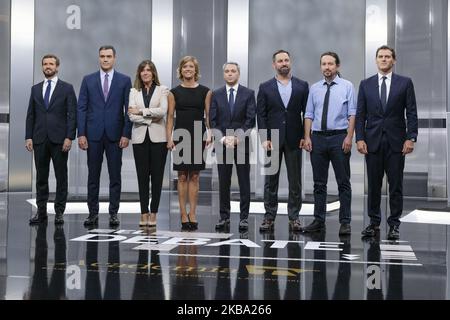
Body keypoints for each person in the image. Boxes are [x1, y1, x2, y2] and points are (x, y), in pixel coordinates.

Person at [356, 45, 418, 240]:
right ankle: (374, 223)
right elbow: (360, 115)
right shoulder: (365, 84)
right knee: (373, 185)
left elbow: (412, 112)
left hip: (397, 142)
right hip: (372, 141)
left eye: (387, 56)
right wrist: (359, 138)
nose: (384, 59)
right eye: (381, 56)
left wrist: (411, 137)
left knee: (395, 185)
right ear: (376, 60)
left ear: (394, 60)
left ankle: (394, 225)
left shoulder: (405, 83)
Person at [77, 45, 132, 227]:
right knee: (93, 176)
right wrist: (81, 133)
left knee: (115, 175)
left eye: (109, 56)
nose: (105, 59)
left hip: (115, 135)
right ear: (99, 58)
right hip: (93, 135)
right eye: (102, 56)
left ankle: (113, 213)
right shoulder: (88, 80)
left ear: (114, 58)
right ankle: (93, 213)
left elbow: (128, 110)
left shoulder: (124, 80)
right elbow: (82, 108)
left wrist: (126, 134)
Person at [302, 52, 356, 235]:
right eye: (324, 64)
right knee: (319, 183)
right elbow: (308, 114)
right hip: (317, 138)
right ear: (321, 67)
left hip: (339, 137)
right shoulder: (314, 88)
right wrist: (307, 137)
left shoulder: (347, 86)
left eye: (330, 64)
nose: (327, 67)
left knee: (343, 182)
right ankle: (319, 220)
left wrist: (349, 137)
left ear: (337, 66)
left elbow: (352, 114)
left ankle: (345, 222)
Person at [256, 49, 309, 232]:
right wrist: (264, 137)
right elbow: (261, 114)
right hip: (273, 139)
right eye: (280, 61)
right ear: (274, 65)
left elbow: (307, 114)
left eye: (286, 60)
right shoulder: (265, 87)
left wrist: (304, 136)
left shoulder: (302, 86)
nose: (284, 63)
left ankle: (294, 218)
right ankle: (269, 217)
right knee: (271, 181)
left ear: (290, 62)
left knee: (295, 181)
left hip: (295, 138)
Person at [25, 54, 77, 225]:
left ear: (57, 67)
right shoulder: (35, 89)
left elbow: (72, 115)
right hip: (39, 139)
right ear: (42, 67)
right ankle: (41, 213)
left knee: (61, 177)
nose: (48, 66)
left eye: (51, 64)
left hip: (60, 140)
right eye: (45, 64)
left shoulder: (67, 88)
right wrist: (28, 136)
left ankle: (59, 212)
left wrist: (70, 137)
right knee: (41, 178)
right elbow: (30, 115)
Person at [166, 56, 212, 231]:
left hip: (198, 134)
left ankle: (193, 213)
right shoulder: (174, 92)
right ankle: (183, 214)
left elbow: (208, 116)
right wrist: (169, 138)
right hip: (180, 134)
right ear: (181, 70)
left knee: (195, 176)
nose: (188, 69)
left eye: (191, 66)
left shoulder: (206, 91)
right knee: (182, 176)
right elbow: (170, 117)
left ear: (196, 70)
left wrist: (209, 133)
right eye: (185, 66)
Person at [210, 62, 256, 231]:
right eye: (227, 71)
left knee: (244, 182)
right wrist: (222, 139)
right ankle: (224, 217)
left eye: (233, 71)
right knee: (224, 182)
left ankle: (244, 218)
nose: (230, 74)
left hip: (242, 144)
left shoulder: (249, 94)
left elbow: (250, 119)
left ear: (238, 73)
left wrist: (237, 138)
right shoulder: (216, 94)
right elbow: (212, 120)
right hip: (222, 145)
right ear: (224, 74)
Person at [128, 60, 168, 227]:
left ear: (153, 73)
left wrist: (141, 112)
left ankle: (154, 213)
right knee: (142, 178)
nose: (145, 73)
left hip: (159, 140)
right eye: (142, 70)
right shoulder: (133, 91)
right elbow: (131, 115)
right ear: (139, 73)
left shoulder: (162, 90)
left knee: (157, 178)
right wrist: (150, 117)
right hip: (139, 140)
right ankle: (144, 212)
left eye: (148, 70)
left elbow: (163, 111)